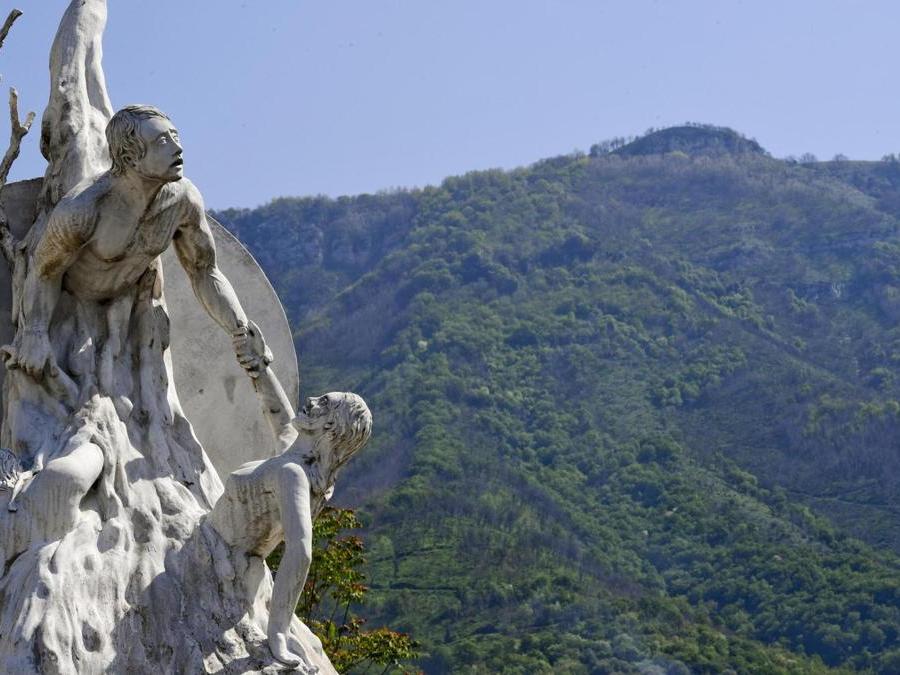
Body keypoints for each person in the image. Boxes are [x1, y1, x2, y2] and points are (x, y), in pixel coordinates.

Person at [1, 105, 268, 523]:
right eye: (163, 141)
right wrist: (34, 331)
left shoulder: (182, 201)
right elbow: (44, 270)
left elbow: (204, 270)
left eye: (175, 135)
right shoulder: (84, 209)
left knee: (146, 424)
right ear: (130, 156)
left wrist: (239, 327)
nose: (178, 147)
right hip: (67, 316)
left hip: (132, 315)